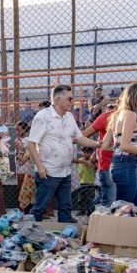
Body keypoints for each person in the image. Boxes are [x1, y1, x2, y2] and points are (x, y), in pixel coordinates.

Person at [27, 85, 101, 222]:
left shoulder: (69, 117)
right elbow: (31, 144)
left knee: (66, 207)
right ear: (57, 99)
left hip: (65, 172)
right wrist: (40, 167)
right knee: (40, 208)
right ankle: (28, 235)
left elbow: (79, 138)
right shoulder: (43, 116)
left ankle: (65, 239)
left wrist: (98, 144)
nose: (71, 102)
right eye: (69, 99)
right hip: (48, 172)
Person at [82, 103, 117, 206]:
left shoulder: (132, 117)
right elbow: (84, 135)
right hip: (107, 165)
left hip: (125, 166)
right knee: (110, 203)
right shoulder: (106, 117)